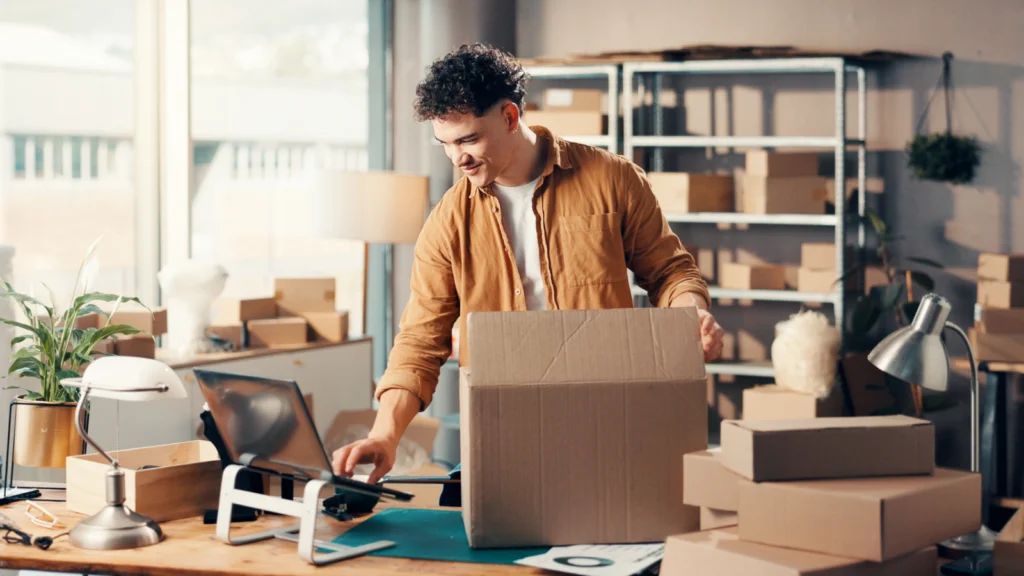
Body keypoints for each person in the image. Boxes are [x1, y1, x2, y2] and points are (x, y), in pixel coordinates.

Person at [332, 43, 725, 483]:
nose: (458, 158)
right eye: (446, 144)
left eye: (468, 139)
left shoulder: (613, 179)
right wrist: (385, 436)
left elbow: (670, 272)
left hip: (609, 411)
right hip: (504, 424)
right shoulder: (447, 223)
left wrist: (692, 316)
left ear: (509, 116)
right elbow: (420, 342)